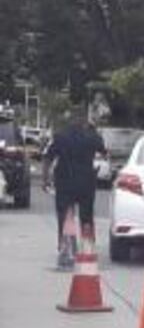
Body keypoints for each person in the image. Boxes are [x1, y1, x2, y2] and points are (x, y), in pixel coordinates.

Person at [42, 115, 107, 269]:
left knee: (65, 216)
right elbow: (104, 151)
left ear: (68, 122)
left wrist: (45, 180)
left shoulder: (60, 136)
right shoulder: (92, 137)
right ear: (85, 122)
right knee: (87, 217)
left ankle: (66, 248)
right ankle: (87, 248)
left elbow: (47, 158)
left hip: (64, 182)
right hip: (86, 182)